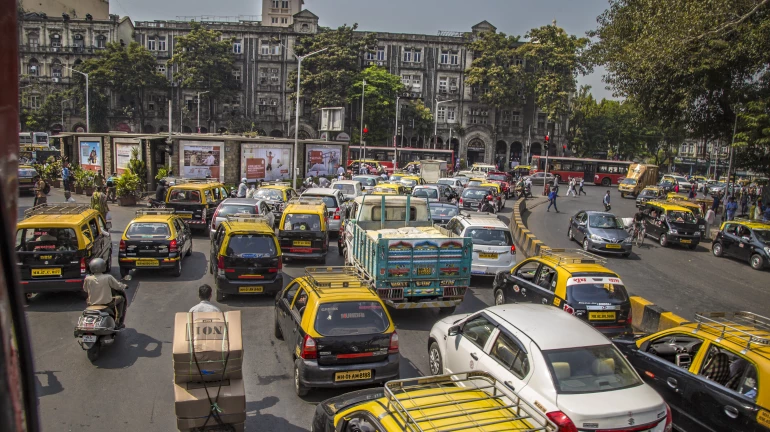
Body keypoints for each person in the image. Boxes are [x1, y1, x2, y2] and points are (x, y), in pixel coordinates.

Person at [83, 258, 128, 328]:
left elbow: (85, 290)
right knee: (121, 298)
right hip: (107, 303)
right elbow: (118, 286)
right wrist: (124, 286)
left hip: (92, 303)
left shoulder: (88, 279)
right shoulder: (108, 277)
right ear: (103, 267)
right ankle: (118, 320)